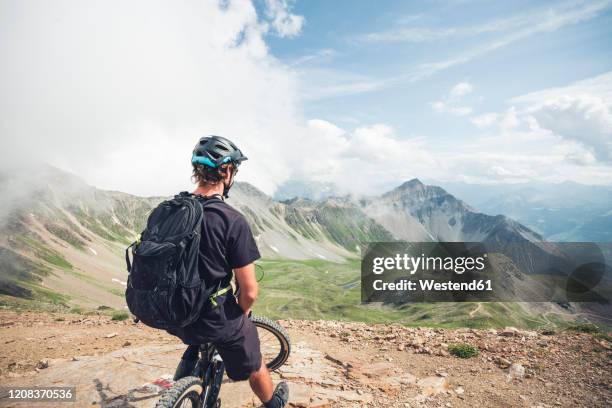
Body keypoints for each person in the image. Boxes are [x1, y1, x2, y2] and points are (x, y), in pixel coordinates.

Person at [168, 135, 289, 408]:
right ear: (228, 171)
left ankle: (180, 386)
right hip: (212, 316)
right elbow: (249, 292)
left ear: (196, 171)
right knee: (255, 361)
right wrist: (242, 312)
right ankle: (273, 404)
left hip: (173, 312)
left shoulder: (171, 210)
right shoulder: (231, 220)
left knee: (196, 338)